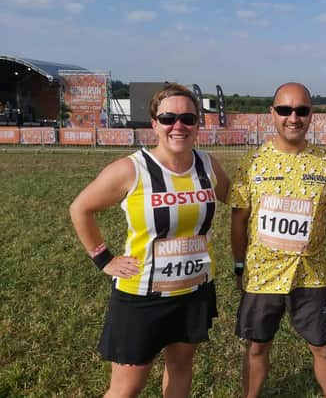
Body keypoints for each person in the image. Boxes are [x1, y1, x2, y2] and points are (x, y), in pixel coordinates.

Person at [69, 83, 229, 397]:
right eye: (168, 118)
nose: (178, 126)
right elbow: (80, 208)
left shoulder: (208, 165)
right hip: (142, 297)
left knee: (181, 371)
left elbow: (238, 199)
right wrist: (104, 259)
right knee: (127, 389)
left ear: (198, 123)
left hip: (193, 291)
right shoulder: (131, 169)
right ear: (154, 123)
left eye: (188, 118)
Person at [231, 82, 326, 398]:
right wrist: (239, 266)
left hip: (310, 276)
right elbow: (239, 219)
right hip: (261, 275)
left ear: (311, 115)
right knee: (257, 347)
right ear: (272, 113)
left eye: (301, 110)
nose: (293, 117)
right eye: (285, 110)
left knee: (324, 349)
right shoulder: (253, 161)